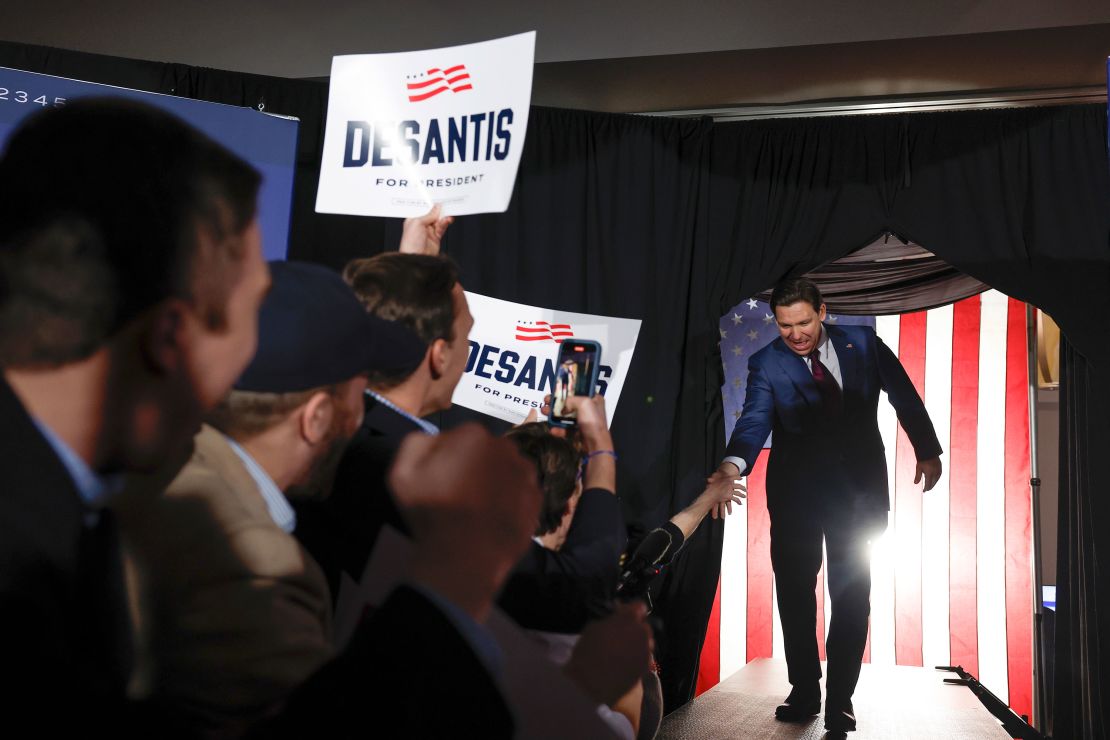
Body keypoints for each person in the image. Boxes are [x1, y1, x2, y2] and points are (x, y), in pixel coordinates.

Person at [0, 98, 269, 725]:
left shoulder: (61, 503)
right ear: (173, 338)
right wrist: (449, 583)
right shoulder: (16, 576)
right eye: (257, 308)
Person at [117, 261, 425, 732]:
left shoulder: (153, 474)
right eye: (359, 392)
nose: (360, 419)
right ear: (316, 417)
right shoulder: (254, 568)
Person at [703, 277, 942, 733]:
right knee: (795, 596)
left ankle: (840, 700)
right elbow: (754, 420)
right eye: (784, 324)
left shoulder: (864, 344)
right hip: (797, 498)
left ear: (822, 311)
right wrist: (732, 467)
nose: (794, 333)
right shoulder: (766, 362)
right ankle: (805, 691)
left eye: (803, 322)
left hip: (859, 496)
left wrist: (927, 450)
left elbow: (903, 395)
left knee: (852, 598)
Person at [293, 252, 473, 602]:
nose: (470, 351)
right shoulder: (412, 474)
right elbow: (553, 591)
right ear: (440, 354)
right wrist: (599, 453)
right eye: (468, 336)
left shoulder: (338, 437)